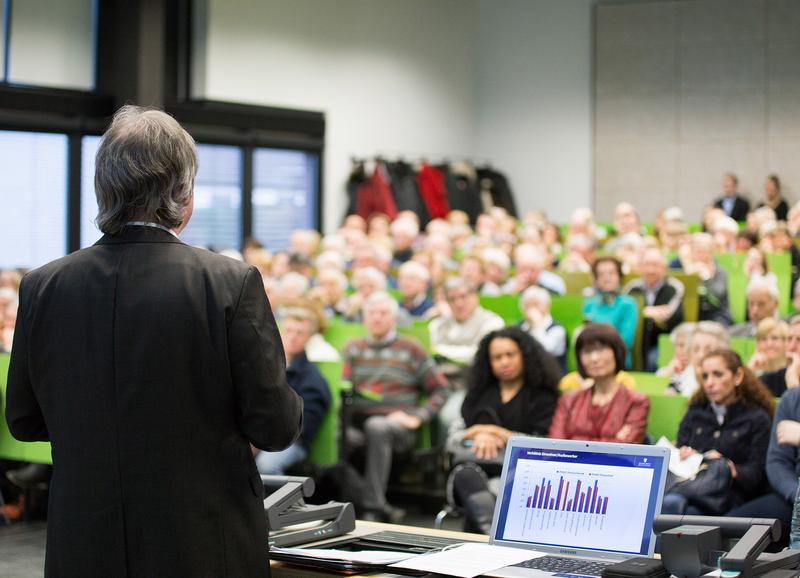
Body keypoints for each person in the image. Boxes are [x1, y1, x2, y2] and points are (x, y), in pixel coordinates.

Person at [5, 106, 303, 578]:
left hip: (83, 544)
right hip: (203, 544)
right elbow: (275, 426)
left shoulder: (43, 285)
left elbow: (23, 420)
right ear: (183, 195)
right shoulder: (229, 283)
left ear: (104, 190)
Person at [342, 291, 449, 522]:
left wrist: (419, 416)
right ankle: (376, 503)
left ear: (393, 319)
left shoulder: (410, 348)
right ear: (364, 318)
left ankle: (372, 509)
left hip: (398, 427)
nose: (377, 318)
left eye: (383, 313)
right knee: (340, 437)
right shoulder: (352, 349)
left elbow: (441, 389)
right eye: (372, 313)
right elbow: (343, 386)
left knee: (377, 425)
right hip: (359, 424)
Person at [448, 328, 560, 533]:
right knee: (466, 476)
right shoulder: (477, 394)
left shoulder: (543, 397)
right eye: (497, 357)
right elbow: (453, 439)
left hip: (520, 476)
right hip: (475, 470)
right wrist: (479, 434)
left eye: (510, 355)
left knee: (484, 496)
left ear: (524, 355)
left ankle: (483, 532)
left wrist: (497, 432)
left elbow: (543, 444)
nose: (504, 362)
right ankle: (490, 532)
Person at [661, 349, 774, 515]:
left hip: (730, 495)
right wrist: (686, 454)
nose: (709, 383)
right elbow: (681, 446)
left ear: (738, 377)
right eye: (705, 376)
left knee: (680, 509)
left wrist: (729, 467)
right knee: (673, 504)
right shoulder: (696, 411)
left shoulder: (757, 418)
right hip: (690, 486)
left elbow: (756, 476)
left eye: (718, 375)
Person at [256, 306, 331, 475]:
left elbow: (303, 427)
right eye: (288, 330)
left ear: (309, 339)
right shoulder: (264, 366)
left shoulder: (313, 379)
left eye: (300, 333)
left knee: (267, 465)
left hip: (292, 442)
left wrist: (263, 439)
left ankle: (284, 502)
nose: (292, 337)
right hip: (259, 434)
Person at [548, 324, 649, 443]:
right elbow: (555, 446)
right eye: (587, 351)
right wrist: (612, 439)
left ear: (616, 352)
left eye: (601, 350)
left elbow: (625, 448)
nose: (594, 358)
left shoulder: (636, 402)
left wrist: (575, 440)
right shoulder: (569, 400)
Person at [624, 247, 685, 371]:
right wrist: (649, 312)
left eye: (655, 265)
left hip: (662, 341)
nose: (651, 270)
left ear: (664, 268)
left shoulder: (674, 287)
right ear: (640, 267)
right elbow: (625, 313)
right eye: (646, 265)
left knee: (653, 360)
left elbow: (669, 316)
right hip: (634, 340)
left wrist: (641, 311)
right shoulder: (632, 288)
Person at [582, 256, 638, 366]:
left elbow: (626, 340)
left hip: (618, 361)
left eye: (611, 273)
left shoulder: (628, 304)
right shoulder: (589, 304)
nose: (606, 278)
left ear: (619, 277)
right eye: (601, 274)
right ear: (596, 279)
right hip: (591, 361)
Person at [667, 321, 730, 397]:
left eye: (708, 350)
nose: (701, 355)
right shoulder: (674, 382)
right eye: (696, 350)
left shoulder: (728, 385)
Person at [518, 286, 568, 373]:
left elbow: (545, 350)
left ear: (547, 306)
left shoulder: (557, 329)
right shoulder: (519, 327)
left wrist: (537, 325)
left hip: (552, 376)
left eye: (535, 305)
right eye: (527, 305)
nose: (531, 310)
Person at [758, 316, 800, 397]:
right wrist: (751, 370)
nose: (792, 347)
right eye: (789, 339)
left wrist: (793, 387)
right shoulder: (771, 379)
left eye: (799, 340)